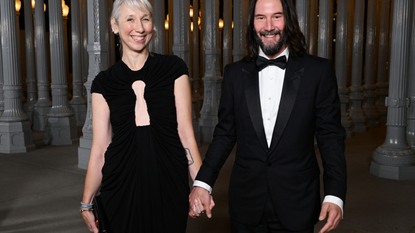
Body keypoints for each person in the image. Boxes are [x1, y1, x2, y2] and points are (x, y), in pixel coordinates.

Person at [189, 0, 347, 232]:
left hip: (298, 201)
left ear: (289, 20)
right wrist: (203, 183)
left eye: (277, 16)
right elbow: (224, 134)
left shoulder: (319, 71)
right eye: (261, 17)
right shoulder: (234, 74)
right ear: (252, 24)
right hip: (246, 203)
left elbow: (330, 137)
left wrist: (335, 195)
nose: (269, 25)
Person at [80, 0, 204, 232]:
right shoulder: (103, 83)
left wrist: (202, 185)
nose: (139, 27)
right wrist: (86, 203)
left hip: (168, 181)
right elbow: (100, 148)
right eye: (130, 19)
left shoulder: (174, 69)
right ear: (114, 25)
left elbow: (186, 134)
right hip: (120, 185)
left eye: (145, 18)